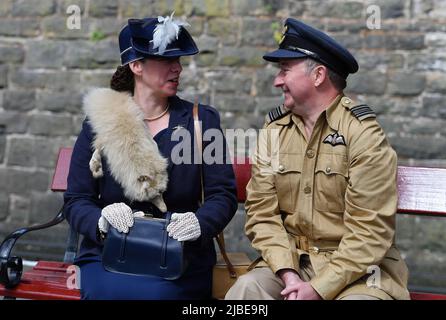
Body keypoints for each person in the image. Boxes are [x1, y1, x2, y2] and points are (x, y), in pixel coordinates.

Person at [225, 18, 410, 300]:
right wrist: (288, 274)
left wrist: (318, 289)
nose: (277, 81)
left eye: (285, 70)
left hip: (359, 274)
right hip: (291, 265)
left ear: (318, 75)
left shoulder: (363, 135)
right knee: (246, 291)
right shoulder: (274, 131)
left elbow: (370, 233)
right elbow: (262, 214)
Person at [64, 14, 237, 300]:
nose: (177, 68)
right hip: (109, 255)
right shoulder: (99, 123)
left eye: (179, 60)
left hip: (180, 258)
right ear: (136, 66)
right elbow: (76, 200)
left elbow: (223, 195)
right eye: (167, 61)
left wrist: (199, 223)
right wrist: (101, 220)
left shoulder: (202, 121)